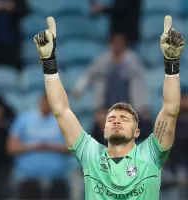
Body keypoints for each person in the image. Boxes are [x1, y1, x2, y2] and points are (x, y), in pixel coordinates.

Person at [33, 15, 184, 200]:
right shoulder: (90, 154)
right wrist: (49, 63)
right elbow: (61, 110)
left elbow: (170, 110)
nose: (117, 121)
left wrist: (172, 64)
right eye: (111, 118)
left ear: (137, 131)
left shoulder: (150, 154)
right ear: (104, 130)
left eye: (124, 118)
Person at [7, 93, 70, 200]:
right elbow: (11, 147)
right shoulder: (24, 119)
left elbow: (74, 148)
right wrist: (32, 147)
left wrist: (50, 147)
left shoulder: (64, 121)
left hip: (57, 180)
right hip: (28, 180)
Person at [72, 33, 147, 113]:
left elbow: (140, 83)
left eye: (120, 44)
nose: (117, 46)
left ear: (124, 45)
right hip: (105, 106)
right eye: (115, 43)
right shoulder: (102, 60)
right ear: (111, 44)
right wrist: (79, 88)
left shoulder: (132, 61)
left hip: (128, 105)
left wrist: (142, 105)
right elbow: (88, 75)